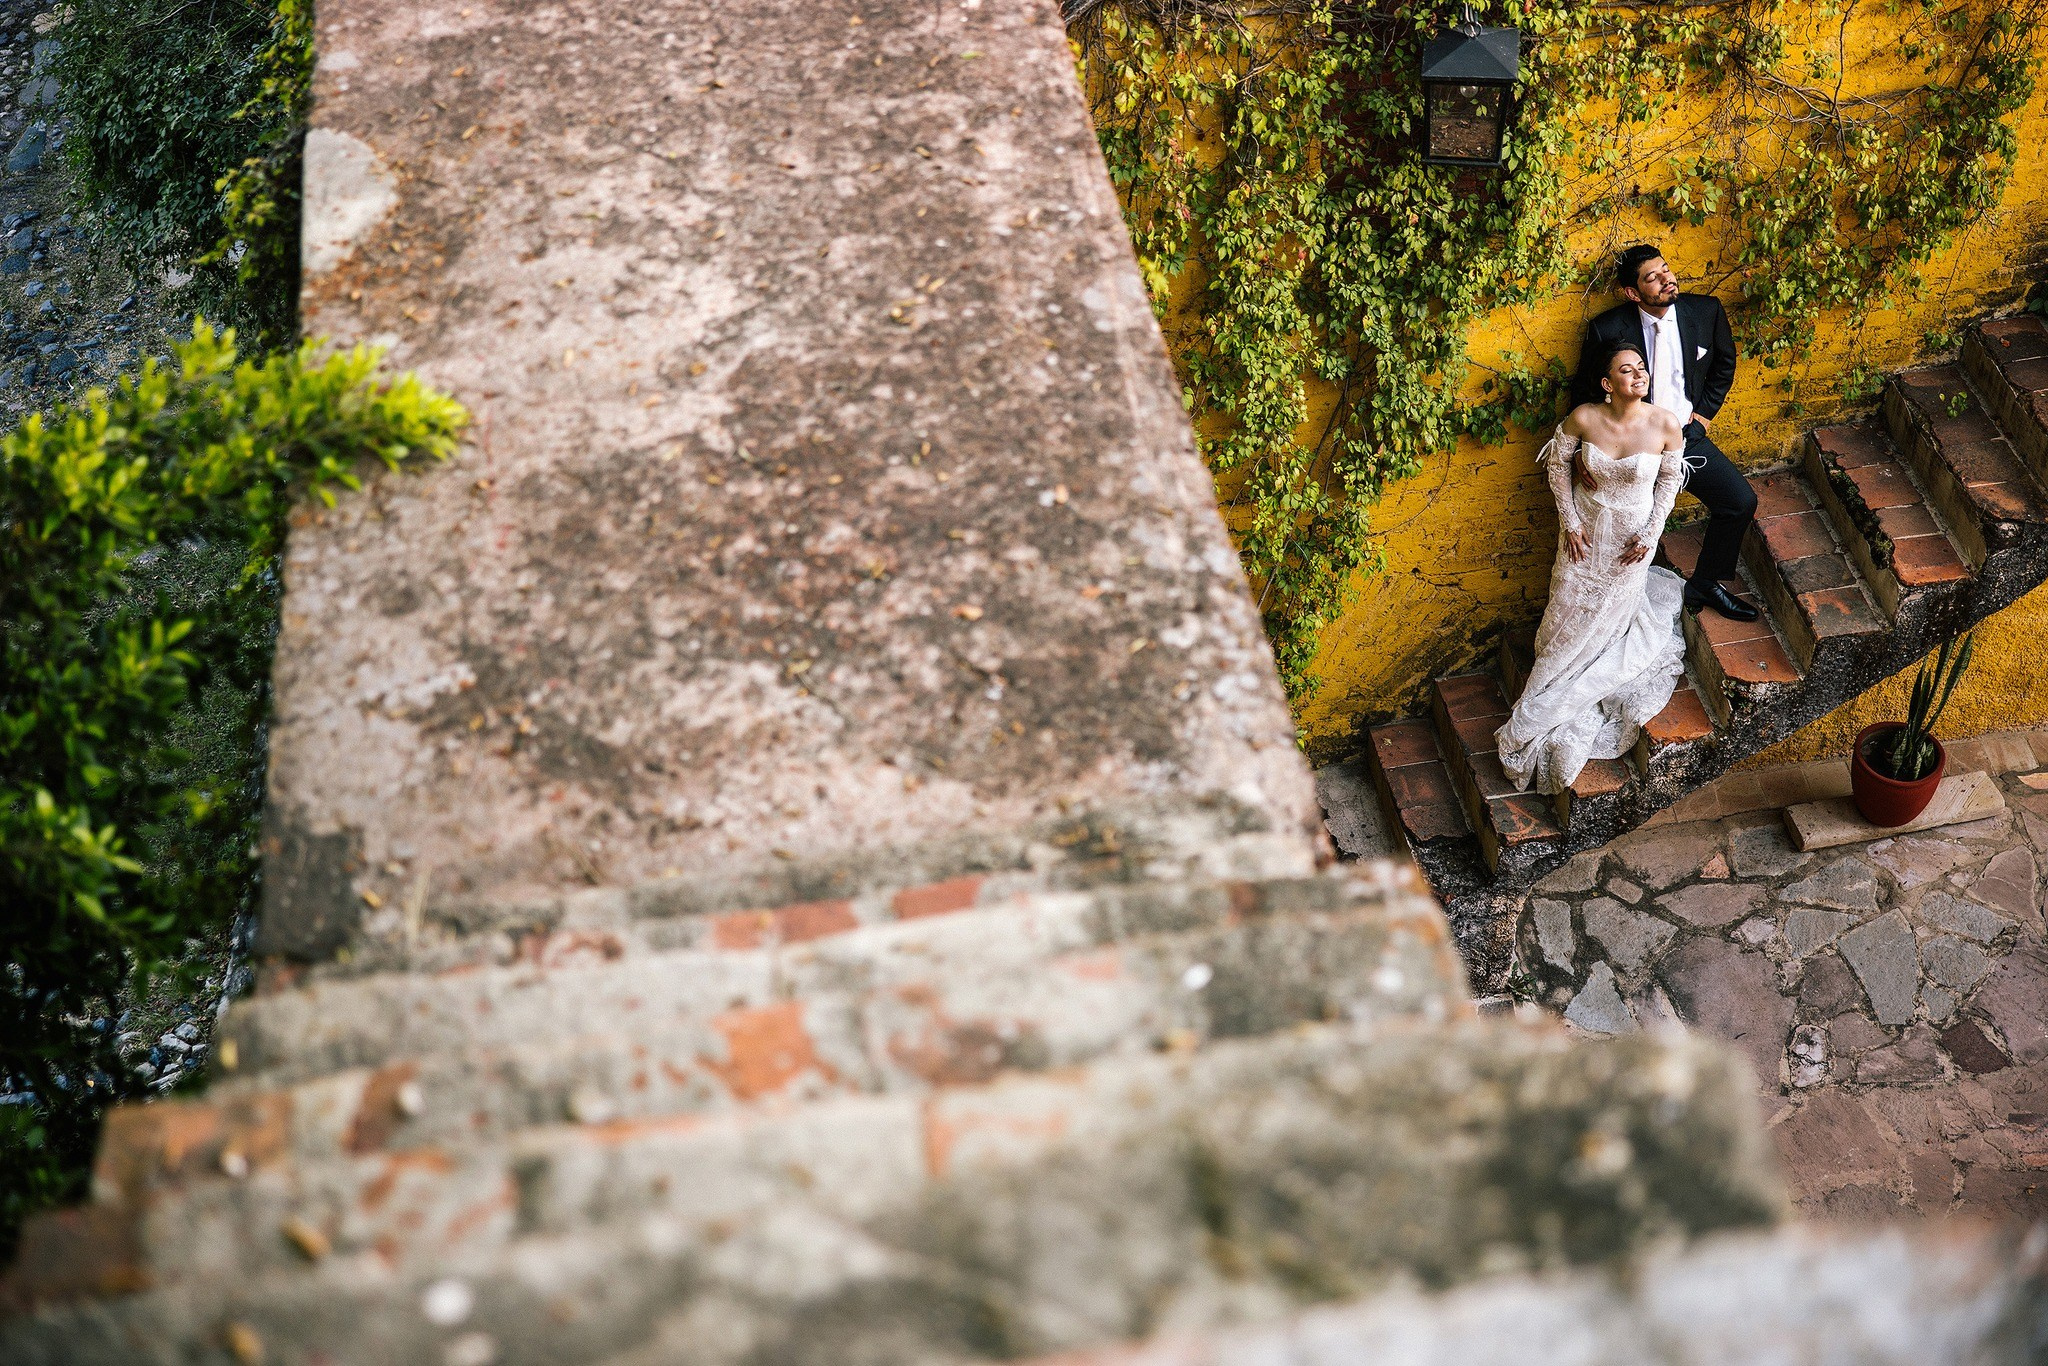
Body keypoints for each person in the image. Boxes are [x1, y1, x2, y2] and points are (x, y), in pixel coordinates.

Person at [1497, 341, 1688, 795]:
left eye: (1641, 368)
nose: (1638, 375)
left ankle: (1560, 698)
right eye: (1627, 370)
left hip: (1629, 546)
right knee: (1565, 611)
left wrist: (1649, 536)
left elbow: (1668, 486)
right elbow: (1557, 465)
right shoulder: (1584, 418)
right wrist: (1571, 523)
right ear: (1608, 384)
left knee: (1608, 622)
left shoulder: (1666, 424)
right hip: (1583, 540)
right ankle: (1553, 671)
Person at [1569, 245, 1758, 622]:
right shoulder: (1607, 329)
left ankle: (1705, 583)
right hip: (1633, 449)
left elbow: (1724, 363)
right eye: (1652, 278)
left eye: (1666, 270)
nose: (1667, 279)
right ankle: (1608, 610)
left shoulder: (1706, 311)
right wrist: (1579, 452)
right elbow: (1585, 393)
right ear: (1632, 292)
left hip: (1688, 439)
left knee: (1739, 502)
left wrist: (1703, 417)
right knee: (1625, 532)